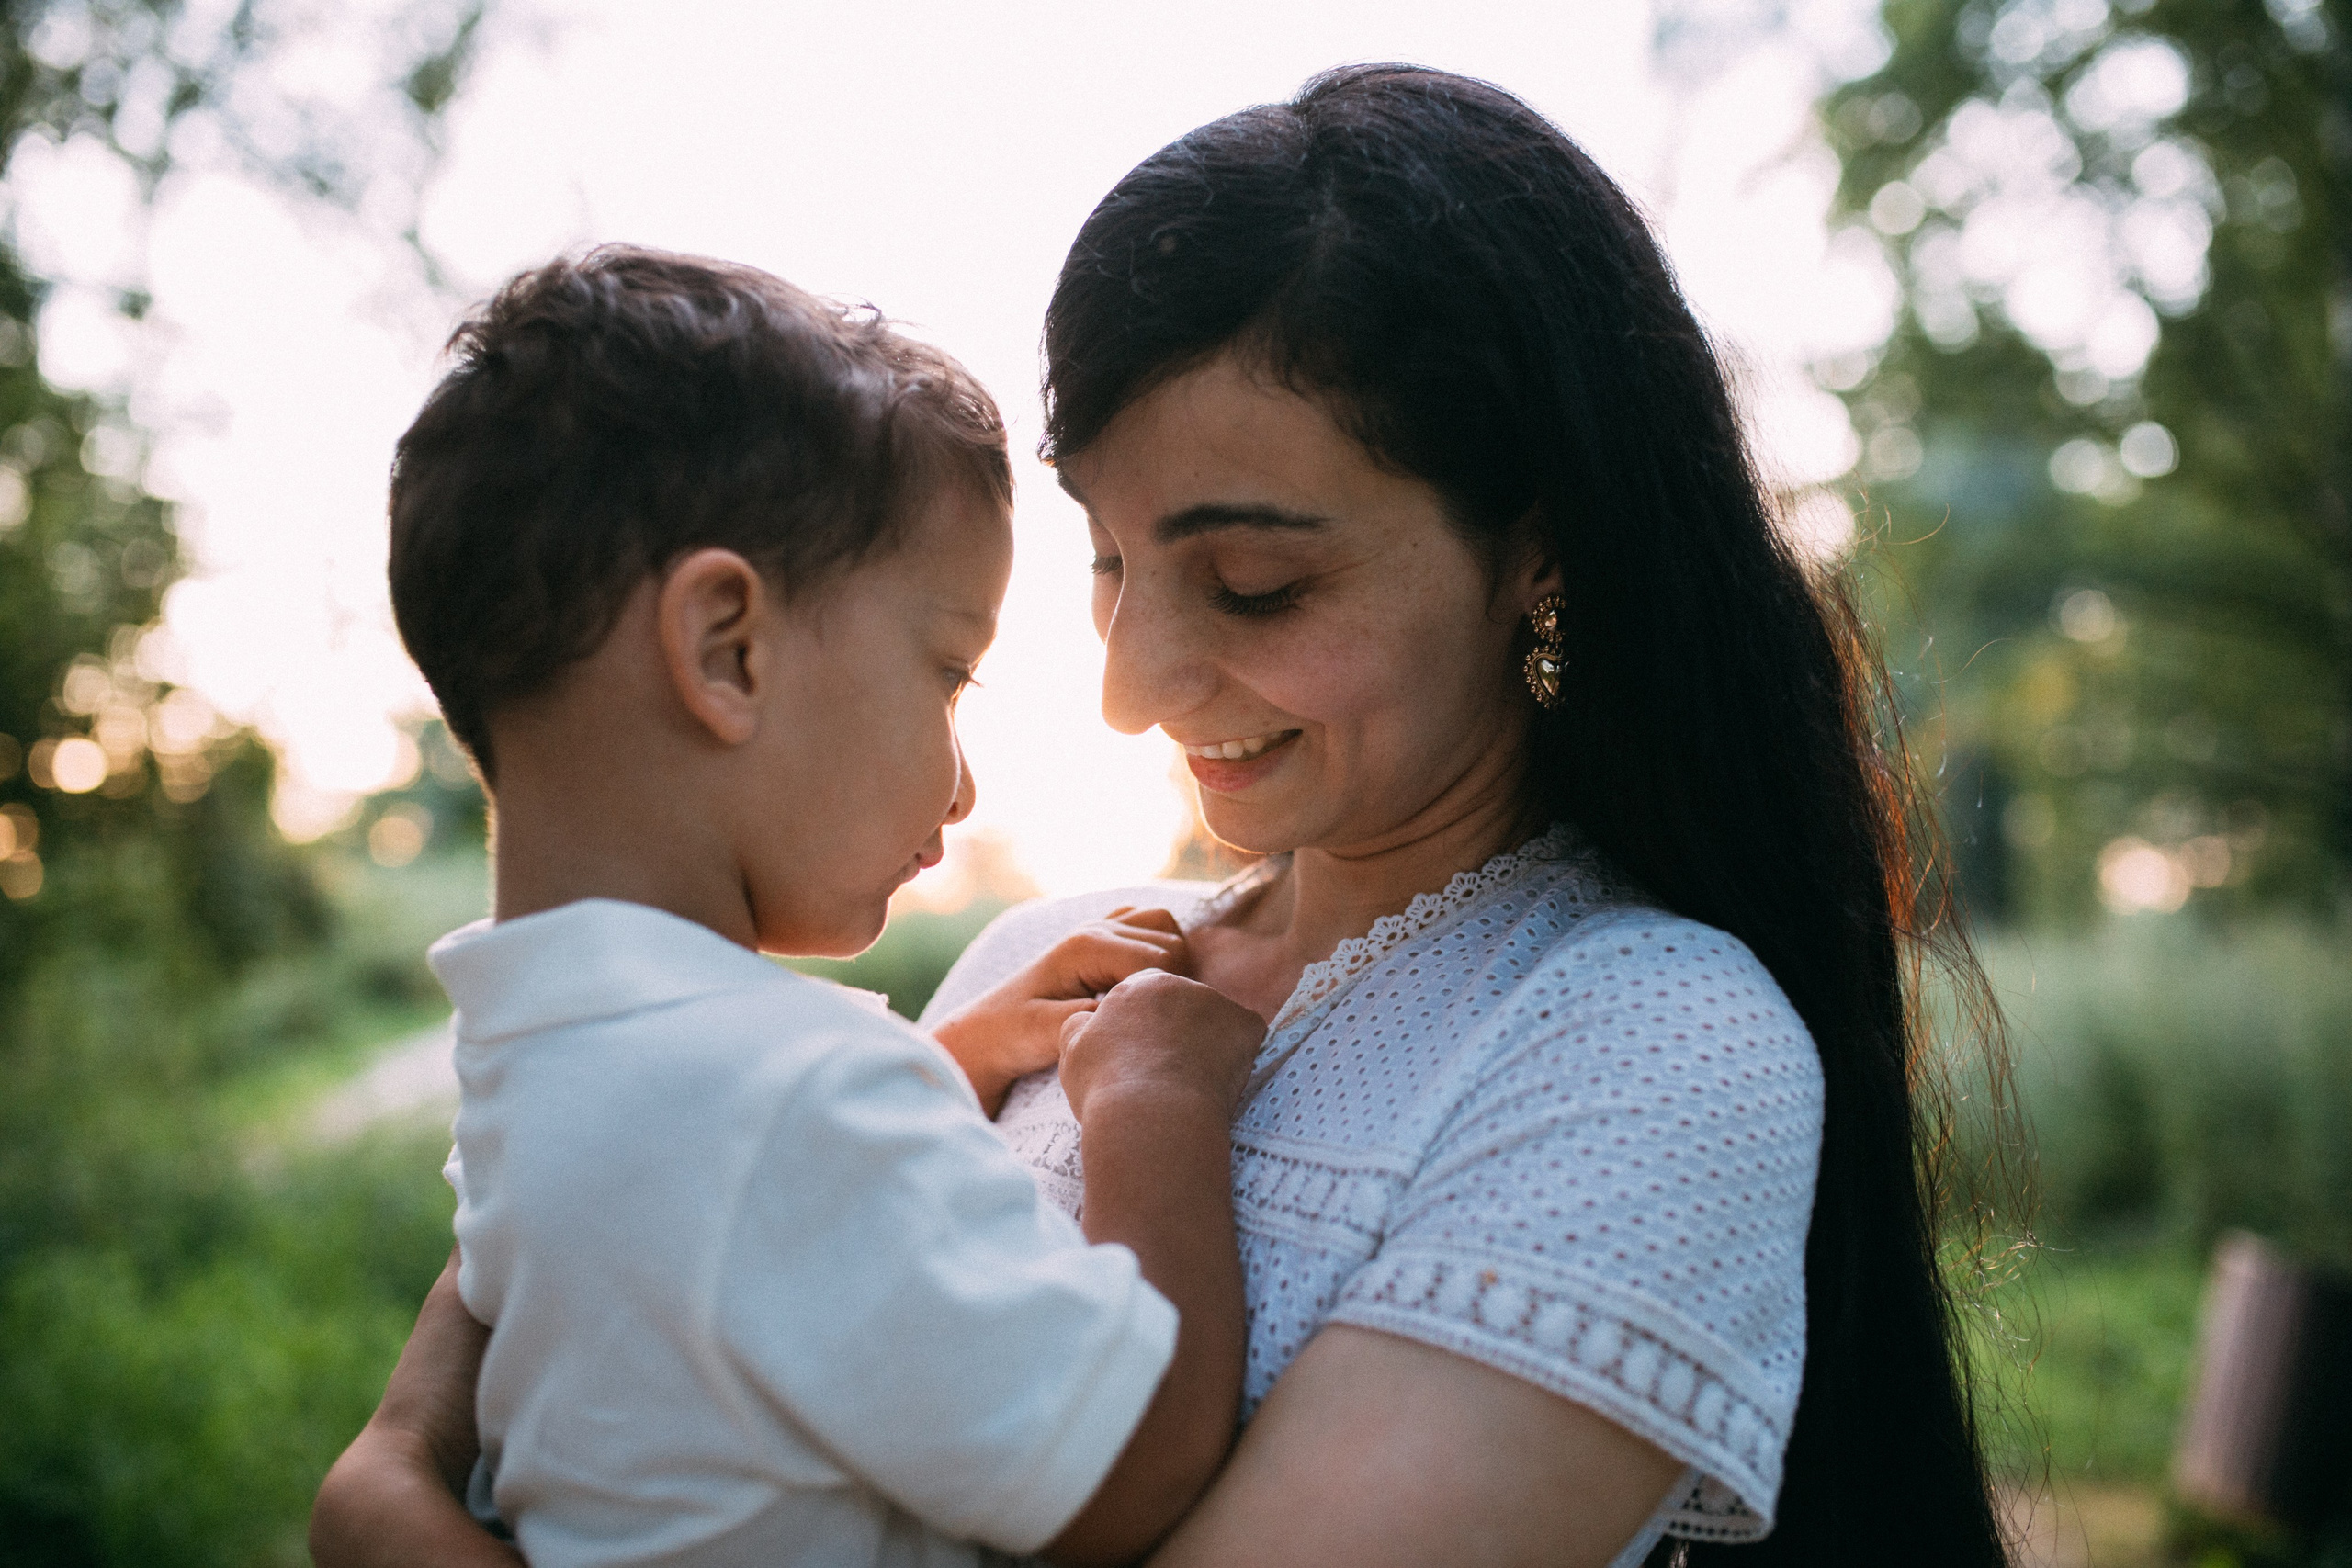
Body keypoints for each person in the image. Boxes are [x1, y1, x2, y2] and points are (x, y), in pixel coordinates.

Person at [312, 67, 2014, 1568]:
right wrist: (386, 1476)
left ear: (1541, 549)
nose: (1130, 687)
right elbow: (658, 1252)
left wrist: (408, 1498)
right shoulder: (1045, 964)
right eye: (1109, 562)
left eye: (1256, 581)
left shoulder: (1647, 1044)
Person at [316, 245, 1273, 1568]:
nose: (962, 784)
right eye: (948, 675)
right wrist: (1156, 1100)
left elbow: (703, 1208)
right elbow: (1131, 1471)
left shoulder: (534, 1064)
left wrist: (934, 1063)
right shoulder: (793, 1108)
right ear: (728, 651)